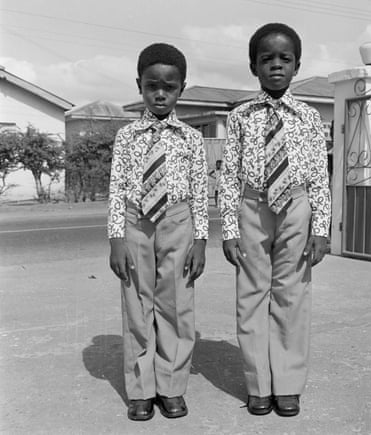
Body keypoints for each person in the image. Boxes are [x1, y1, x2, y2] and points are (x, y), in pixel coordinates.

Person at [219, 23, 331, 417]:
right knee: (251, 296)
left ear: (297, 66)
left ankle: (286, 384)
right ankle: (258, 384)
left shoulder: (309, 117)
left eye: (285, 59)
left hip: (297, 208)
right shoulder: (240, 117)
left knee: (292, 295)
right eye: (267, 59)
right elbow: (229, 175)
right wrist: (230, 230)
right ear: (254, 66)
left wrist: (321, 229)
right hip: (253, 207)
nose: (276, 66)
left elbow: (319, 177)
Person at [107, 43, 208, 421]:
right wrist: (116, 237)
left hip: (178, 222)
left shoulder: (191, 138)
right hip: (136, 222)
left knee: (177, 306)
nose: (161, 93)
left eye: (170, 86)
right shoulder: (127, 137)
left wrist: (200, 241)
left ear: (182, 88)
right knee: (137, 305)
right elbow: (117, 188)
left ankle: (171, 386)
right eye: (153, 86)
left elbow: (201, 190)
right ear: (140, 86)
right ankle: (141, 390)